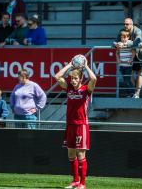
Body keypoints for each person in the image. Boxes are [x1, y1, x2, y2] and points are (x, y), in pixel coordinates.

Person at [54, 56, 97, 189]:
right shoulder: (69, 89)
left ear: (80, 79)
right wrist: (70, 65)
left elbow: (94, 79)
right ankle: (75, 181)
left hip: (81, 125)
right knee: (71, 154)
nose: (73, 81)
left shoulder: (86, 90)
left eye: (76, 78)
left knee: (80, 154)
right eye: (72, 78)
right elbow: (57, 77)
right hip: (70, 125)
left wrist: (85, 66)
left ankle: (83, 184)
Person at [115, 18, 142, 98]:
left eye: (127, 24)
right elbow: (114, 42)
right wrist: (117, 45)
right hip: (126, 56)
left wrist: (125, 45)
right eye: (124, 24)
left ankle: (137, 93)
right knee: (129, 76)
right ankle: (133, 92)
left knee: (139, 73)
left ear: (132, 24)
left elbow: (137, 42)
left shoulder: (138, 31)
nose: (125, 25)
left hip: (138, 55)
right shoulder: (122, 30)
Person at [114, 30, 136, 97]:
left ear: (128, 37)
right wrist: (118, 59)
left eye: (124, 37)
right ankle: (129, 93)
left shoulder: (130, 43)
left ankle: (133, 92)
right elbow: (117, 53)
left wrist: (131, 59)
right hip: (122, 64)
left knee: (127, 79)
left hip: (128, 65)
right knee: (125, 80)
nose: (123, 39)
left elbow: (133, 52)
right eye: (122, 37)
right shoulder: (119, 44)